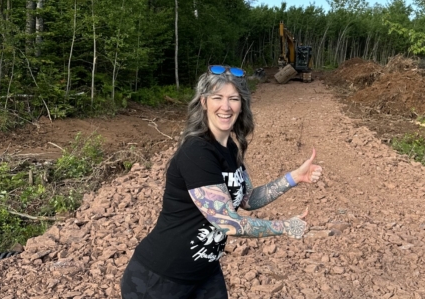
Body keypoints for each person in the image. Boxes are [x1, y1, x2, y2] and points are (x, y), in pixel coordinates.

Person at [120, 65, 323, 299]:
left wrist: (294, 177)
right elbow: (229, 223)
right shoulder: (196, 152)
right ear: (204, 102)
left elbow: (247, 199)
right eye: (218, 97)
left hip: (205, 272)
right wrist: (285, 227)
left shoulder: (230, 148)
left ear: (242, 105)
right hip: (160, 279)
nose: (226, 106)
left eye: (233, 99)